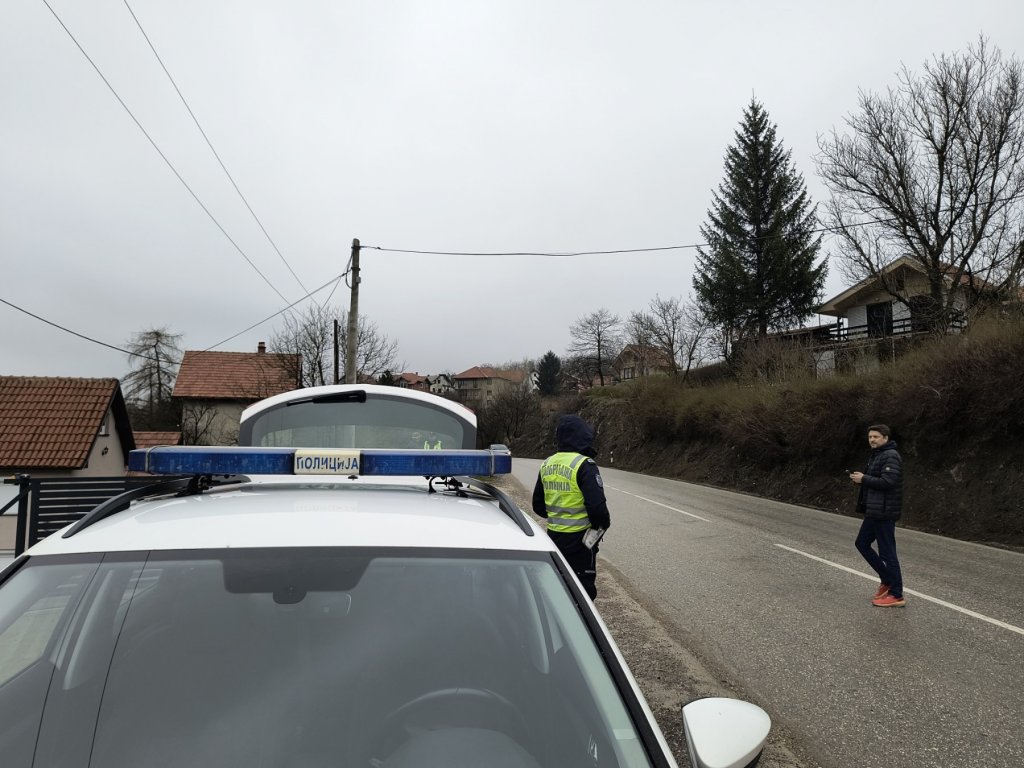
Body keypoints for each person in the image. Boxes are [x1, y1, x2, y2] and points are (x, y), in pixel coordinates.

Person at [532, 414, 611, 600]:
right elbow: (598, 510)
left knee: (559, 588)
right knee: (582, 593)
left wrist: (559, 513)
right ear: (582, 435)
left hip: (554, 538)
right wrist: (601, 527)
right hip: (580, 543)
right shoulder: (584, 465)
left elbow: (538, 506)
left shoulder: (547, 464)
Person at [850, 424, 905, 607]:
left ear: (885, 438)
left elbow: (888, 482)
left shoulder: (890, 455)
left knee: (888, 553)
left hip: (884, 512)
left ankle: (896, 594)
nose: (872, 440)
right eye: (870, 437)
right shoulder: (878, 455)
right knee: (862, 543)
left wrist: (864, 478)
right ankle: (887, 580)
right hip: (874, 511)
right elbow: (878, 480)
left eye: (876, 437)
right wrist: (861, 480)